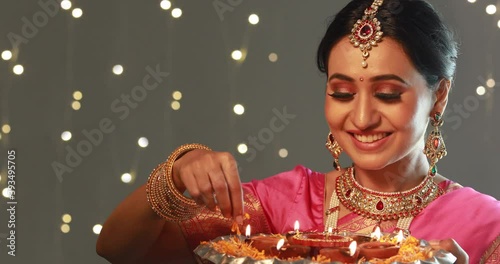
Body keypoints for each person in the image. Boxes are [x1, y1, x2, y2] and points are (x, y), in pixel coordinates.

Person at [96, 0, 500, 263]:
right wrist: (178, 171)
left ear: (440, 96)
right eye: (342, 93)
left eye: (388, 94)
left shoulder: (485, 224)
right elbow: (120, 249)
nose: (361, 117)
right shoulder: (281, 205)